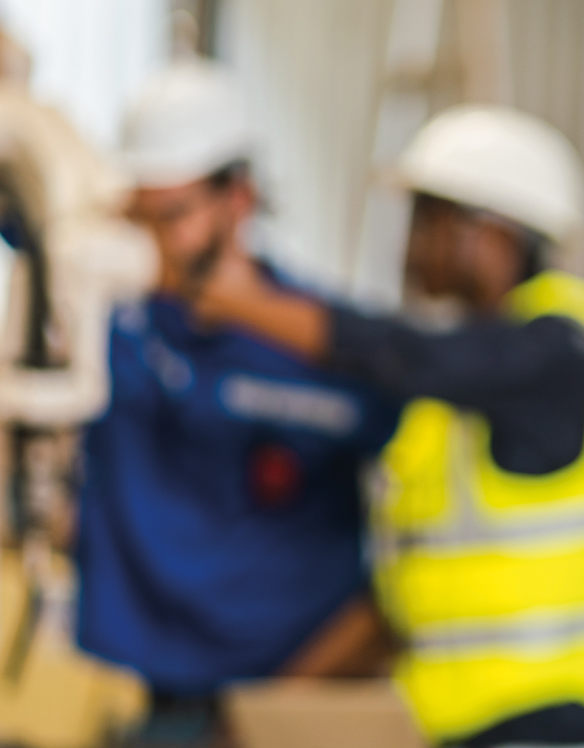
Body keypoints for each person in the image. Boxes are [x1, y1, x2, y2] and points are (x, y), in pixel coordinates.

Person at [190, 105, 584, 748]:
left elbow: (405, 353)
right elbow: (402, 598)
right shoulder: (448, 411)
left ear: (492, 235)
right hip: (468, 726)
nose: (409, 246)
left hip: (565, 721)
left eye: (428, 222)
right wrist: (265, 709)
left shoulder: (556, 353)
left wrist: (240, 300)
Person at [76, 61, 402, 735]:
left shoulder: (326, 352)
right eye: (140, 216)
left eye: (175, 215)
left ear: (240, 198)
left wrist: (280, 708)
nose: (155, 242)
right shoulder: (117, 329)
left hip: (295, 709)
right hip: (163, 703)